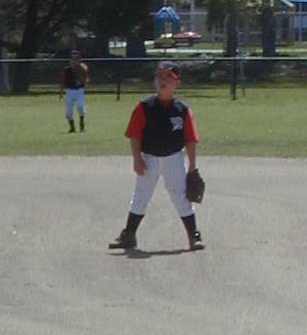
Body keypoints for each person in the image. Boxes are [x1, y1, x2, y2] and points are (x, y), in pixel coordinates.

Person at [108, 60, 204, 252]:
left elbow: (190, 140)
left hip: (173, 158)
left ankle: (194, 235)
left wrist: (192, 166)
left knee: (180, 196)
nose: (163, 80)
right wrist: (137, 159)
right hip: (149, 158)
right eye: (160, 76)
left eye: (168, 77)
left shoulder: (182, 110)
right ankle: (129, 235)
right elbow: (135, 135)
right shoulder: (144, 106)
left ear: (177, 82)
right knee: (140, 196)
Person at [60, 48, 88, 132]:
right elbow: (63, 81)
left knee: (80, 107)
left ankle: (82, 124)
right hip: (69, 91)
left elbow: (86, 80)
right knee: (68, 112)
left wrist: (82, 79)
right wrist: (61, 92)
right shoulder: (67, 70)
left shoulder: (83, 68)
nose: (74, 61)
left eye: (76, 59)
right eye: (72, 59)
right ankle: (72, 128)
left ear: (79, 60)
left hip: (79, 91)